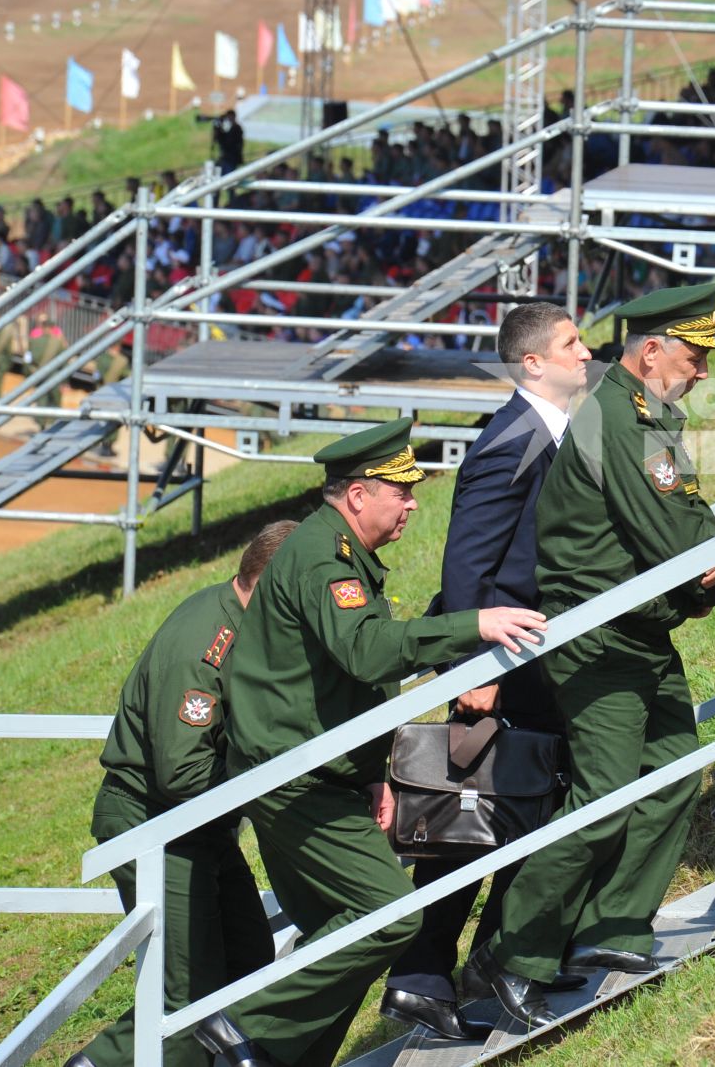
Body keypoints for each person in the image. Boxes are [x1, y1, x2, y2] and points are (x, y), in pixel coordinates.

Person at [197, 420, 547, 1067]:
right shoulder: (323, 557)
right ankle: (236, 1023)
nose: (413, 503)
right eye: (401, 490)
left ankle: (271, 1049)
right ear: (358, 494)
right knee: (385, 914)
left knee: (348, 926)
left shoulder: (338, 552)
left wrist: (372, 774)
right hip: (291, 774)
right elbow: (366, 653)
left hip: (317, 769)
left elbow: (342, 685)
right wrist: (475, 622)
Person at [468, 284, 715, 1030]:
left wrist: (701, 573)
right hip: (601, 643)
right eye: (695, 354)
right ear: (652, 351)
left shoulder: (644, 415)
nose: (704, 370)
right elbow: (674, 534)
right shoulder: (619, 418)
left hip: (640, 632)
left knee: (675, 772)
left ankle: (609, 929)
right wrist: (701, 577)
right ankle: (512, 953)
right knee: (600, 803)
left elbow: (692, 513)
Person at [378, 303, 593, 1040]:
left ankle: (492, 953)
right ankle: (419, 976)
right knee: (467, 816)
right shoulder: (512, 438)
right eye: (572, 343)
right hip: (500, 661)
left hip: (531, 654)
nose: (586, 352)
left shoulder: (551, 430)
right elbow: (467, 561)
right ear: (533, 362)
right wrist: (471, 668)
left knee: (517, 807)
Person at [64, 521, 298, 1067]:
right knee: (189, 998)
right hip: (157, 825)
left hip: (199, 826)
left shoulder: (241, 623)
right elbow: (182, 773)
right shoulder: (207, 647)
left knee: (248, 960)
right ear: (271, 583)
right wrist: (272, 789)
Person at [25, 306, 68, 412]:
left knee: (41, 398)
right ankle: (52, 422)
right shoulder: (56, 342)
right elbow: (64, 361)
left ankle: (41, 423)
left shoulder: (34, 340)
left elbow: (27, 359)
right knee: (54, 399)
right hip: (54, 374)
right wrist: (65, 381)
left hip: (39, 373)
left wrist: (30, 372)